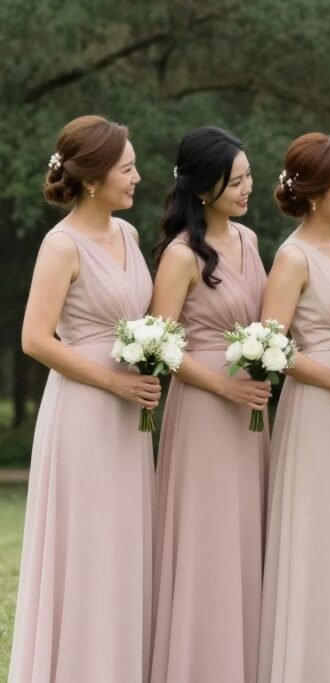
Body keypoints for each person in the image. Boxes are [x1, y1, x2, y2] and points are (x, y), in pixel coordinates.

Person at [12, 115, 156, 683]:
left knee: (122, 547)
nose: (138, 177)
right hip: (84, 412)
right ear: (94, 179)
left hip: (130, 414)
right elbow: (34, 339)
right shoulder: (61, 244)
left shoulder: (130, 235)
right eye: (127, 168)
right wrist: (113, 382)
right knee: (88, 545)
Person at [149, 127, 269, 683]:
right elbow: (160, 347)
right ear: (203, 188)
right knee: (209, 540)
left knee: (248, 538)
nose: (248, 188)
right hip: (203, 412)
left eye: (248, 177)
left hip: (252, 412)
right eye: (235, 180)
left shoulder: (247, 240)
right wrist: (224, 387)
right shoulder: (180, 256)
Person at [258, 133, 330, 682]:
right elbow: (271, 347)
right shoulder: (292, 256)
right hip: (316, 410)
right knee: (320, 533)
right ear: (315, 192)